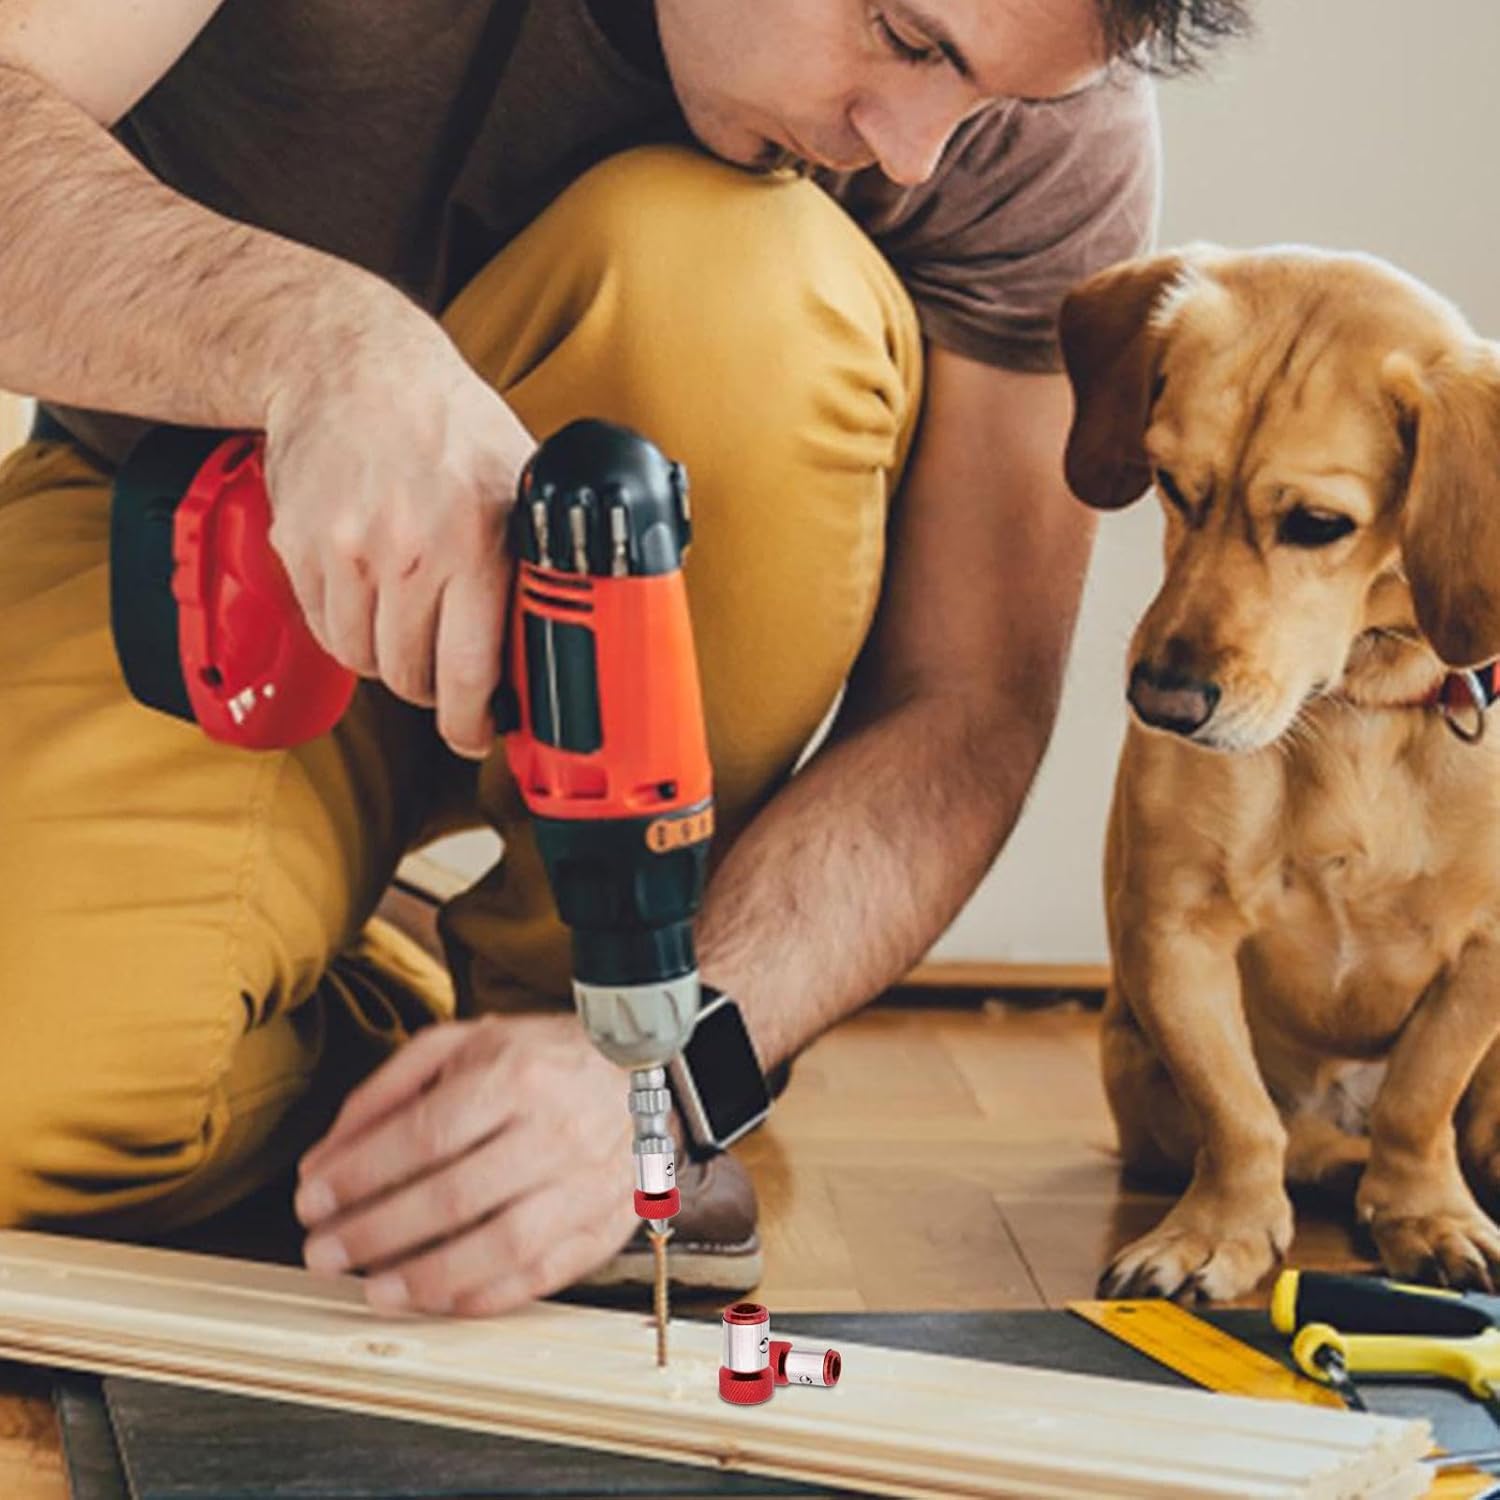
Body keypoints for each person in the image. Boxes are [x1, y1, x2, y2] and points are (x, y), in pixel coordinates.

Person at [0, 0, 1247, 1317]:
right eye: (905, 34)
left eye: (1004, 101)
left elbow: (970, 703)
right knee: (28, 1091)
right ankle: (391, 1011)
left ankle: (575, 1058)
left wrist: (670, 1076)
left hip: (660, 535)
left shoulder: (1047, 134)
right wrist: (313, 346)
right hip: (212, 530)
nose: (915, 154)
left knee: (718, 277)